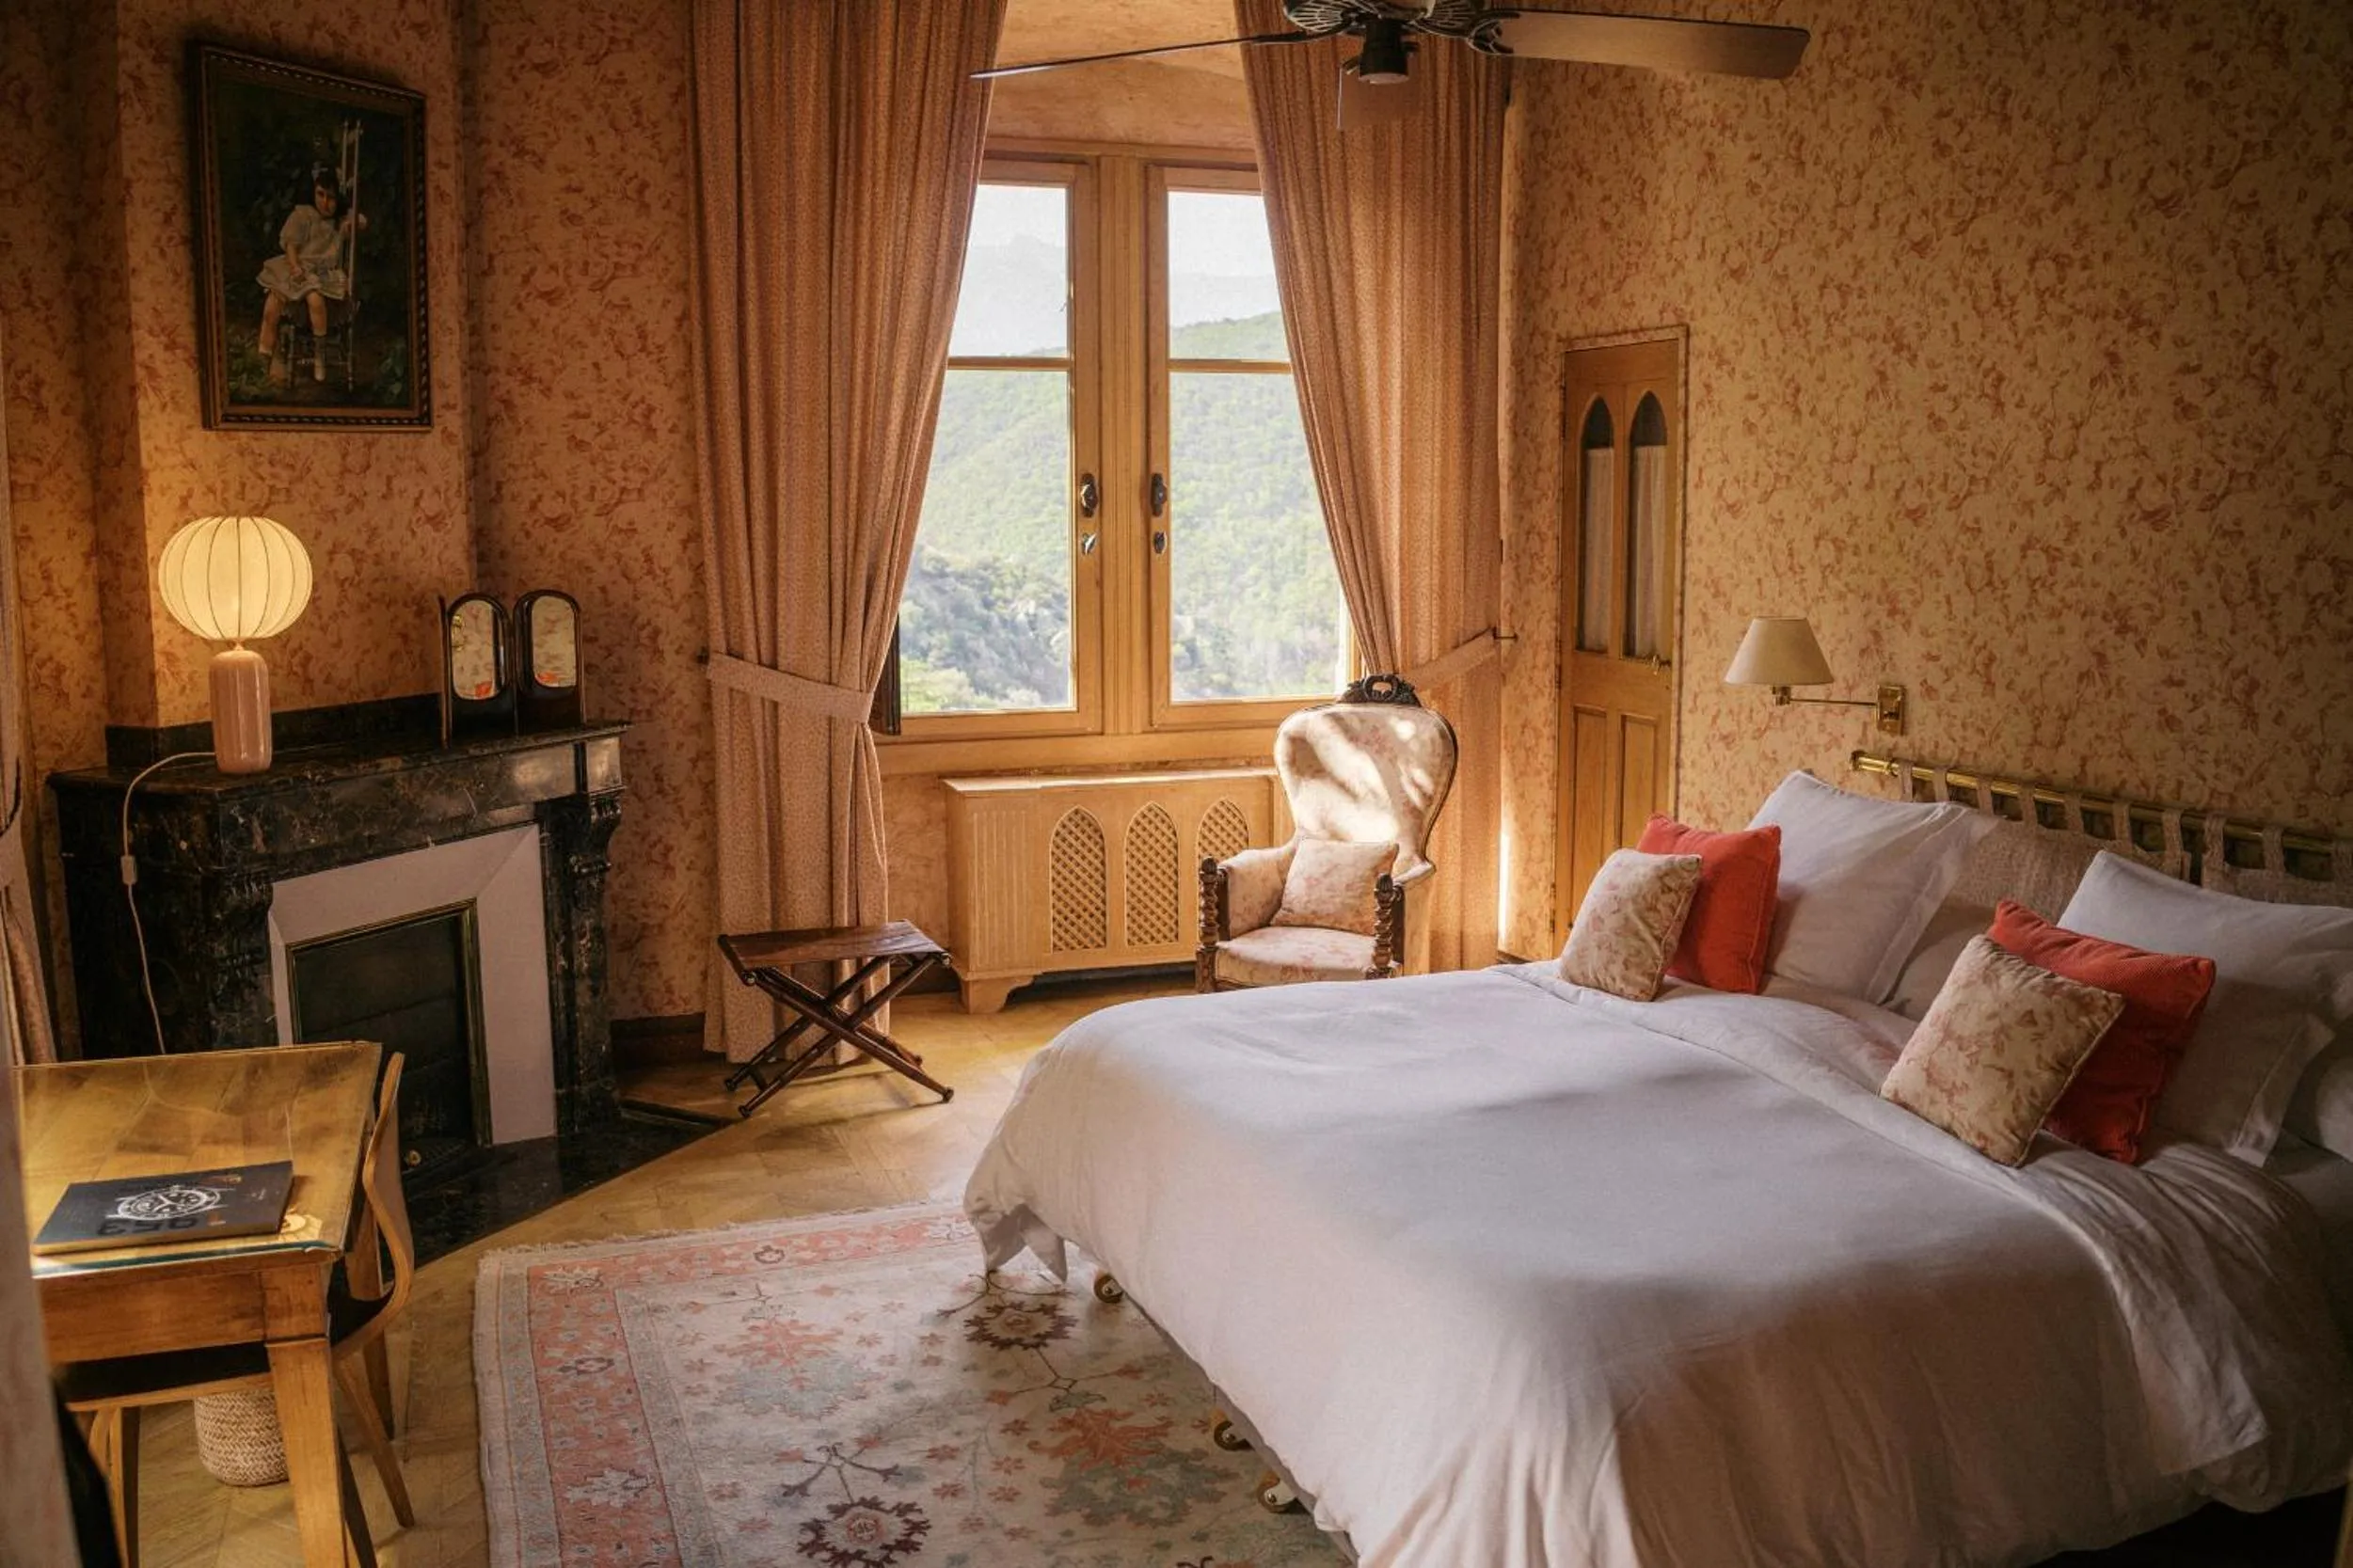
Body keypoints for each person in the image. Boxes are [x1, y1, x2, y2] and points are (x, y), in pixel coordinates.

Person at [255, 167, 361, 385]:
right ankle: (263, 358)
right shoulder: (303, 215)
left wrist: (349, 216)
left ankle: (319, 354)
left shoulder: (338, 222)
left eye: (331, 197)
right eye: (320, 194)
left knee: (315, 299)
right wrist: (295, 267)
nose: (325, 202)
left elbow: (361, 221)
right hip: (297, 268)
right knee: (272, 304)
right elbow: (291, 246)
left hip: (322, 274)